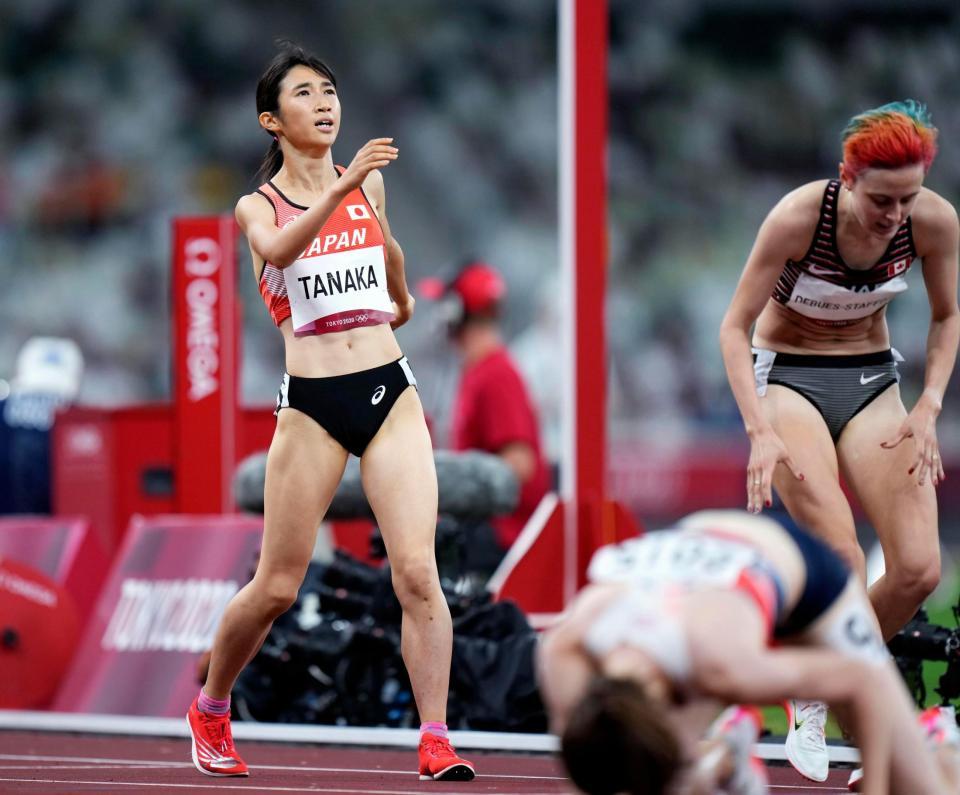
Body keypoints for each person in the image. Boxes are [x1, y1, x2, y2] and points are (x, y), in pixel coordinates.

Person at [185, 42, 474, 782]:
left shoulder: (367, 189)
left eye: (330, 90)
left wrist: (403, 295)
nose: (324, 102)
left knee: (417, 572)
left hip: (388, 391)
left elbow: (384, 258)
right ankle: (211, 706)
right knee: (278, 584)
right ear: (271, 121)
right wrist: (346, 184)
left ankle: (436, 736)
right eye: (305, 93)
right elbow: (281, 249)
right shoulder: (260, 204)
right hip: (312, 404)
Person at [718, 100, 959, 781]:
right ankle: (841, 701)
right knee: (844, 559)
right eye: (882, 199)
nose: (894, 215)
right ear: (847, 178)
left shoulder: (933, 221)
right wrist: (758, 429)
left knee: (918, 568)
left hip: (870, 379)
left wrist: (931, 402)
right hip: (787, 376)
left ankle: (822, 678)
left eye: (906, 199)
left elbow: (947, 316)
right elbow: (734, 327)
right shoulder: (799, 217)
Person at [537, 509, 960, 795]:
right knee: (653, 773)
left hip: (806, 577)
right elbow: (588, 769)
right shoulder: (562, 653)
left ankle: (935, 739)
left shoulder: (724, 664)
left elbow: (860, 680)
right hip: (701, 556)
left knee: (925, 788)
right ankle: (725, 758)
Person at [432, 262, 550, 567]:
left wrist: (453, 489)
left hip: (500, 540)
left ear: (455, 312)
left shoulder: (495, 375)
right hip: (489, 534)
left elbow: (519, 464)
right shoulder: (480, 370)